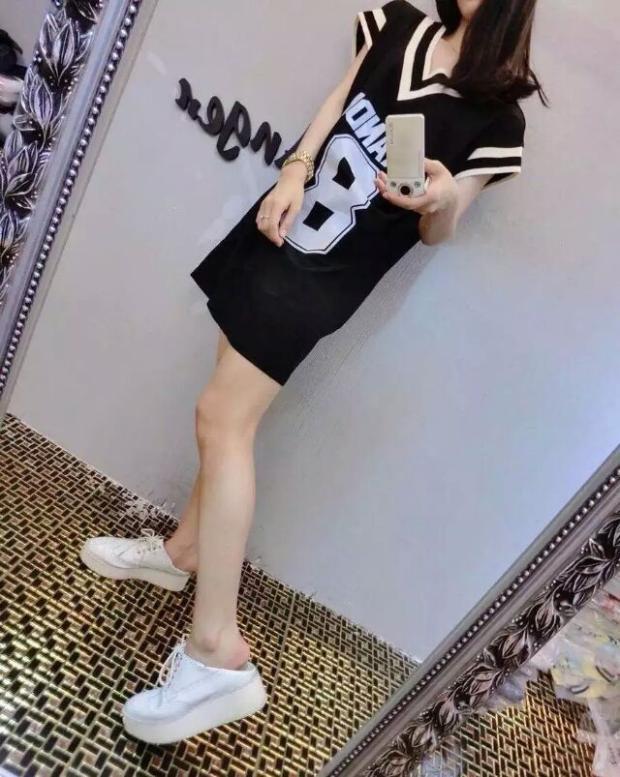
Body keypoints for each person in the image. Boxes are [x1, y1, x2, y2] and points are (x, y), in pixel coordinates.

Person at [79, 0, 547, 745]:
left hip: (327, 275)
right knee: (225, 407)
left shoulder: (499, 117)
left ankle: (217, 651)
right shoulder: (398, 24)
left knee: (221, 420)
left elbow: (443, 227)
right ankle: (183, 552)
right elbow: (339, 99)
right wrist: (292, 170)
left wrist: (439, 199)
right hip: (284, 222)